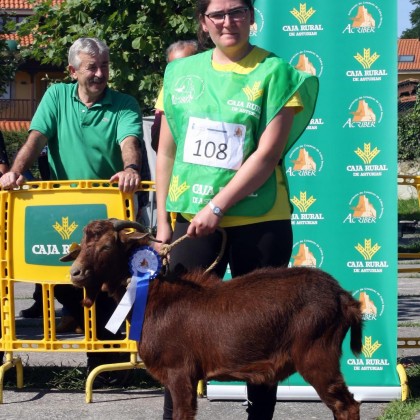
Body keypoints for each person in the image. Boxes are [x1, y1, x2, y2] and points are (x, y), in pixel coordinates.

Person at [154, 1, 318, 419]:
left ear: (251, 16)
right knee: (177, 329)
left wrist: (219, 205)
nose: (228, 22)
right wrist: (160, 224)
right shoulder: (180, 73)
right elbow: (167, 153)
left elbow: (266, 156)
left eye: (237, 11)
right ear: (203, 22)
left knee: (261, 333)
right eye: (217, 14)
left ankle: (258, 415)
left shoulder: (277, 72)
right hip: (191, 224)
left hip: (260, 220)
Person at [0, 37, 150, 382]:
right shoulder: (55, 96)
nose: (100, 73)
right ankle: (95, 359)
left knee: (111, 290)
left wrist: (130, 169)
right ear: (72, 71)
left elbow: (130, 141)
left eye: (104, 66)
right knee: (68, 285)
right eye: (92, 67)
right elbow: (36, 137)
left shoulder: (124, 103)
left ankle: (109, 368)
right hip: (62, 213)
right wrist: (17, 171)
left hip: (108, 215)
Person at [150, 40, 198, 153]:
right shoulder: (169, 88)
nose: (180, 70)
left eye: (185, 63)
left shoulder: (211, 86)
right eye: (174, 66)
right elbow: (157, 136)